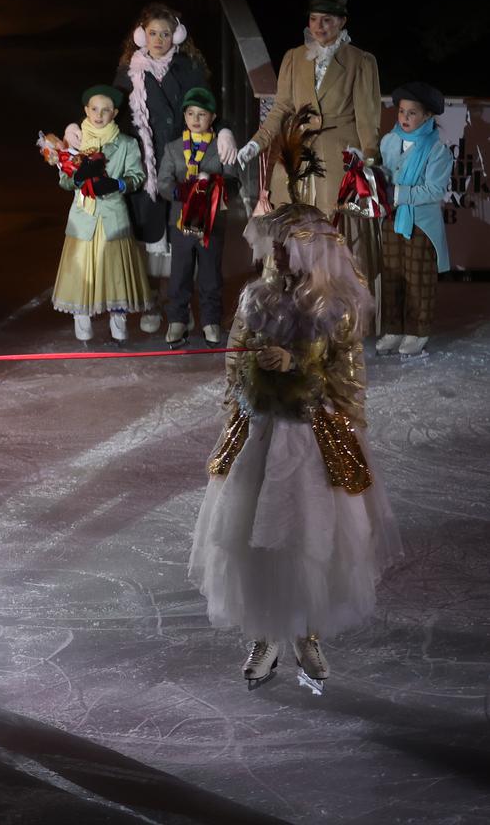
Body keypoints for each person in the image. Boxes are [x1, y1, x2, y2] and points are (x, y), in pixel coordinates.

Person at [190, 122, 401, 691]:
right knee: (252, 533)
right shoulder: (257, 297)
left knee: (310, 535)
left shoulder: (337, 308)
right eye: (279, 249)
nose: (284, 259)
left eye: (294, 249)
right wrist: (249, 381)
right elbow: (235, 361)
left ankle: (306, 632)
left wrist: (302, 369)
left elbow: (347, 375)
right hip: (262, 431)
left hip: (310, 437)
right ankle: (265, 633)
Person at [232, 0, 383, 283]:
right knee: (287, 233)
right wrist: (256, 142)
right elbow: (281, 108)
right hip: (297, 157)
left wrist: (369, 158)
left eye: (327, 20)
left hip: (338, 159)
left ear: (342, 22)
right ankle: (287, 304)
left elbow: (367, 118)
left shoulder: (360, 61)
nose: (318, 26)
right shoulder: (293, 57)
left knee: (333, 237)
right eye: (314, 19)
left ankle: (333, 309)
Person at [112, 2, 216, 333]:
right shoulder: (129, 71)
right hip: (144, 163)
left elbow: (206, 108)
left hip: (183, 161)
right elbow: (111, 114)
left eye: (166, 34)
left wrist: (220, 135)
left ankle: (182, 308)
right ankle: (151, 301)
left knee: (184, 237)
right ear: (142, 36)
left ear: (177, 36)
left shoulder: (189, 69)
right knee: (149, 234)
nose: (159, 39)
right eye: (153, 33)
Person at [51, 85, 153, 345]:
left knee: (115, 272)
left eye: (105, 110)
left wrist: (117, 184)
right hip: (83, 219)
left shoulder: (127, 143)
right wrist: (77, 177)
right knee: (80, 271)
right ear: (86, 110)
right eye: (94, 109)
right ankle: (82, 322)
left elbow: (137, 177)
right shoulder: (76, 142)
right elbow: (64, 180)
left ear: (115, 113)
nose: (99, 114)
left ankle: (118, 325)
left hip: (113, 217)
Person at [155, 87, 239, 347]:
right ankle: (177, 319)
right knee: (179, 273)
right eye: (190, 113)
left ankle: (211, 320)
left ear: (212, 118)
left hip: (211, 222)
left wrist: (213, 185)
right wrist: (182, 190)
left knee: (210, 274)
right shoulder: (173, 148)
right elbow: (163, 183)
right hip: (181, 221)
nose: (195, 119)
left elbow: (234, 182)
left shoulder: (221, 146)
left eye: (202, 114)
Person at [376, 82, 453, 357]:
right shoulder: (389, 140)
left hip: (420, 224)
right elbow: (382, 172)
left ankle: (417, 330)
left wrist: (396, 192)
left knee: (417, 278)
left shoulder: (437, 150)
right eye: (401, 112)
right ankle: (394, 328)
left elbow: (434, 190)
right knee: (393, 275)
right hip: (391, 220)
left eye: (412, 113)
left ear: (427, 116)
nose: (404, 118)